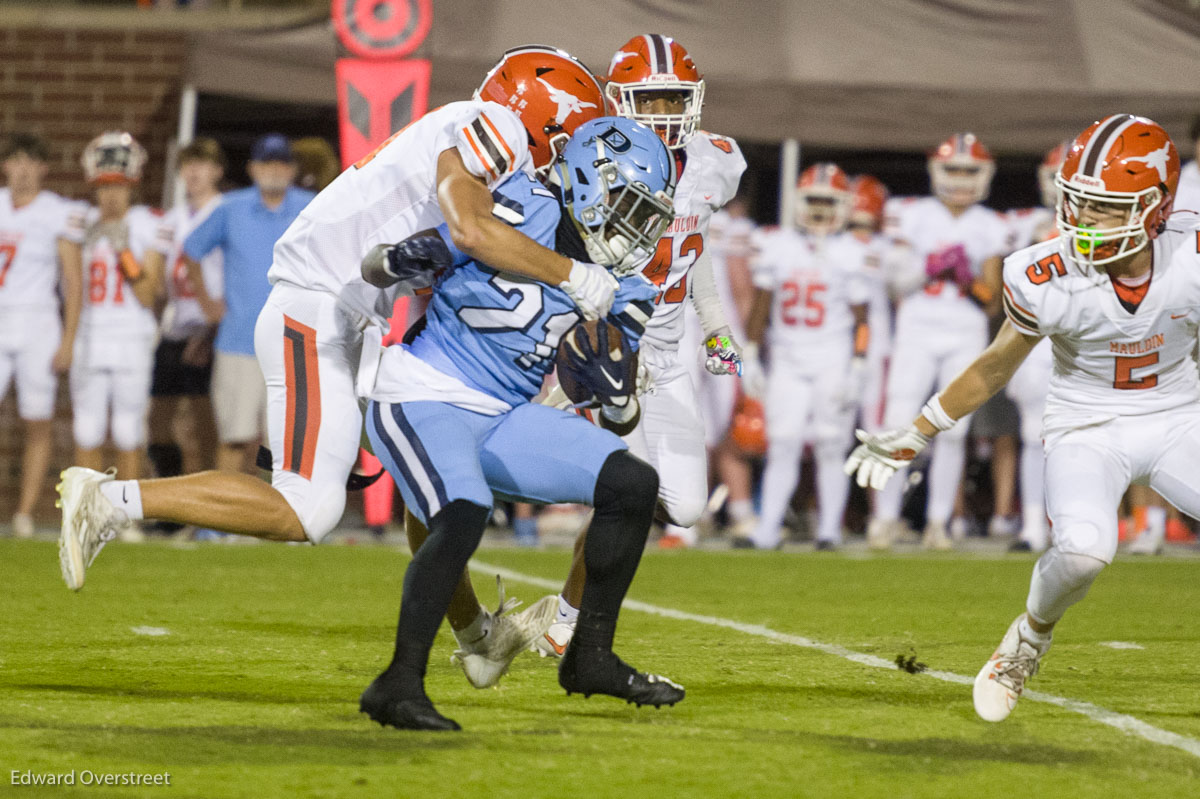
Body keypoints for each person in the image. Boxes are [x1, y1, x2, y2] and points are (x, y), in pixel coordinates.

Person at [56, 45, 614, 599]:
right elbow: (468, 229)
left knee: (426, 461)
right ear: (543, 117)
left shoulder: (464, 132)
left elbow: (439, 255)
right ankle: (107, 501)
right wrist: (573, 276)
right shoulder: (495, 126)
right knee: (309, 508)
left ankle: (477, 640)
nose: (566, 162)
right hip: (318, 309)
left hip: (348, 316)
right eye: (568, 140)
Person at [845, 114, 1194, 722]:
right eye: (1078, 203)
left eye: (1105, 208)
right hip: (1088, 427)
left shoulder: (1189, 255)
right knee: (1084, 550)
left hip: (1178, 419)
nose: (1082, 221)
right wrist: (919, 431)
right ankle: (1025, 642)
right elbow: (993, 366)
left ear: (1156, 209)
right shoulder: (1044, 273)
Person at [361, 116, 684, 730]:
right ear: (591, 182)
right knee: (462, 511)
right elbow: (380, 267)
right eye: (628, 205)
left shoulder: (631, 285)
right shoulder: (522, 203)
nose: (636, 228)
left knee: (633, 486)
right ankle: (397, 683)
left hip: (505, 413)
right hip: (425, 391)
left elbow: (621, 412)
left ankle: (588, 656)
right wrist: (411, 257)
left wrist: (617, 401)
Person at [866, 133, 1010, 550]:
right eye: (955, 169)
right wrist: (927, 268)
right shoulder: (910, 213)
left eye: (970, 170)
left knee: (951, 431)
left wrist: (968, 280)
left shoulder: (990, 225)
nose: (962, 178)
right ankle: (885, 517)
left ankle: (938, 522)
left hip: (963, 331)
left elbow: (991, 302)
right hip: (916, 327)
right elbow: (894, 284)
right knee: (896, 423)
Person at [739, 163, 871, 550]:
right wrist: (748, 354)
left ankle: (829, 530)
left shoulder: (852, 252)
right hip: (787, 357)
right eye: (813, 199)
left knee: (832, 443)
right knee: (783, 442)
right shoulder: (778, 245)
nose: (819, 208)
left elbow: (864, 318)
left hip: (832, 355)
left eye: (828, 201)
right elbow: (760, 308)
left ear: (844, 205)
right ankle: (767, 530)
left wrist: (859, 363)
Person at [183, 134, 314, 476]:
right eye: (267, 163)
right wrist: (207, 303)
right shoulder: (231, 208)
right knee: (234, 438)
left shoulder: (311, 207)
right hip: (239, 339)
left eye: (282, 163)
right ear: (253, 168)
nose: (274, 170)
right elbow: (192, 249)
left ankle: (278, 522)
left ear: (292, 169)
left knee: (284, 445)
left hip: (292, 343)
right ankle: (223, 523)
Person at [68, 131, 168, 507]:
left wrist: (123, 248)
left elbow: (146, 294)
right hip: (91, 335)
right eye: (105, 185)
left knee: (129, 430)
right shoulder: (80, 224)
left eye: (119, 185)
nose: (111, 194)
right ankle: (86, 511)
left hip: (131, 335)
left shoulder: (148, 224)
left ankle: (126, 514)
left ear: (133, 185)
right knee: (87, 427)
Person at [0, 134, 82, 537]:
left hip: (38, 322)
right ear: (6, 166)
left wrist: (69, 338)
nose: (23, 169)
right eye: (16, 161)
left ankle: (25, 513)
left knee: (37, 420)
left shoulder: (57, 212)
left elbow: (72, 279)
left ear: (44, 168)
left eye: (31, 161)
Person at [147, 138, 225, 484]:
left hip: (212, 328)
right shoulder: (170, 219)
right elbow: (159, 278)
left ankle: (207, 501)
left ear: (217, 171)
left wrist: (214, 327)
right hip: (176, 326)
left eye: (202, 164)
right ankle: (171, 497)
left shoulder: (225, 211)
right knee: (157, 419)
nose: (194, 172)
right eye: (188, 165)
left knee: (204, 419)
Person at [1001, 142, 1065, 552]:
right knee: (1031, 436)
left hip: (1083, 335)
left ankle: (1074, 526)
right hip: (1037, 334)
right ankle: (1031, 526)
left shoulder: (1118, 223)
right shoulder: (1025, 223)